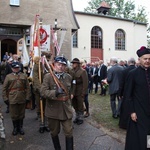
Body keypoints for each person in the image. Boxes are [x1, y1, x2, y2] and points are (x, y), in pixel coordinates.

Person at [40, 56, 74, 150]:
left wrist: (70, 104)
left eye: (63, 65)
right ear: (54, 65)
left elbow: (70, 92)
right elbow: (43, 92)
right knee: (54, 132)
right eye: (59, 64)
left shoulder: (68, 77)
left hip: (66, 110)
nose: (61, 67)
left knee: (69, 132)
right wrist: (55, 92)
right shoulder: (48, 77)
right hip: (53, 109)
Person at [125, 46, 150, 150]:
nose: (148, 61)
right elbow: (128, 95)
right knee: (139, 137)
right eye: (145, 59)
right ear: (139, 60)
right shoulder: (133, 74)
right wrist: (132, 111)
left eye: (149, 59)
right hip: (138, 110)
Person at [2, 61, 31, 136]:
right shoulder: (8, 77)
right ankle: (15, 128)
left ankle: (20, 128)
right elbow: (4, 89)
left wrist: (28, 97)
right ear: (12, 68)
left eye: (17, 68)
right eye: (15, 68)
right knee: (14, 114)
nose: (16, 69)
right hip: (12, 98)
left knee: (21, 114)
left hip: (22, 97)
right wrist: (5, 98)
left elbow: (28, 87)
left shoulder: (24, 76)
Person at [119, 57, 136, 129]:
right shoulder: (137, 70)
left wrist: (120, 93)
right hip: (135, 92)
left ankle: (124, 124)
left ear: (128, 63)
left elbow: (122, 83)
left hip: (126, 92)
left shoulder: (124, 70)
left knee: (126, 108)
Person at [71, 58, 88, 125]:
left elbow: (85, 83)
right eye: (72, 63)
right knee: (74, 104)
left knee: (80, 104)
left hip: (80, 90)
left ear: (77, 64)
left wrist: (83, 92)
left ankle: (80, 117)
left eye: (74, 63)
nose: (73, 64)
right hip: (73, 91)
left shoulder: (82, 71)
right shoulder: (72, 71)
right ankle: (77, 116)